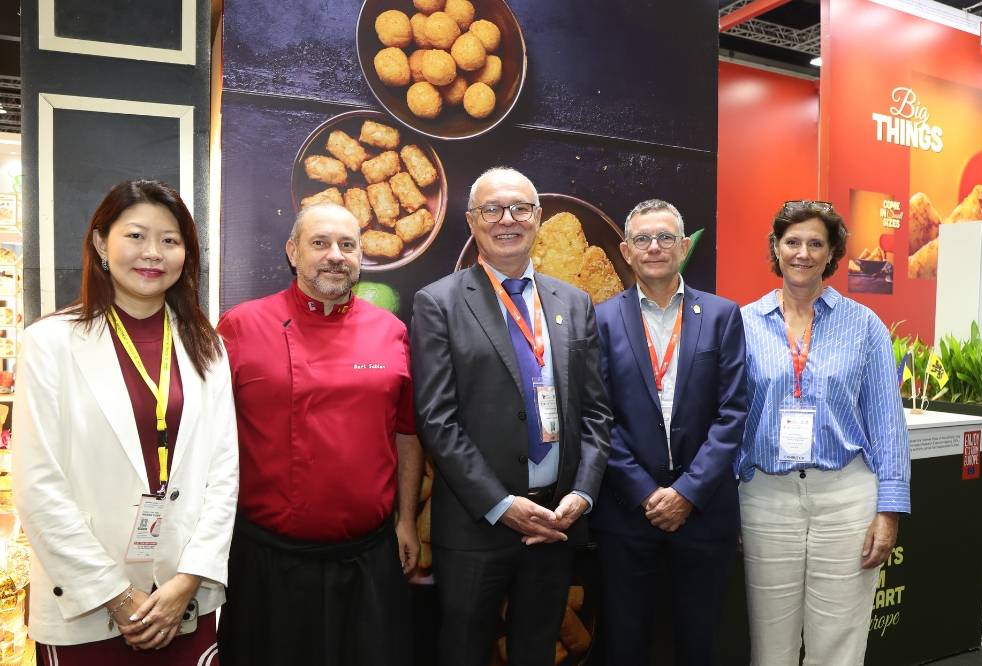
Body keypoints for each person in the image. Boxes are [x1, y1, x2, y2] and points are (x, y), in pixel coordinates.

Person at [13, 179, 238, 665]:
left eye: (170, 240)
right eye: (135, 235)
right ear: (100, 242)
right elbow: (37, 486)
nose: (152, 253)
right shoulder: (49, 343)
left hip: (184, 600)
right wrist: (116, 596)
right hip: (84, 602)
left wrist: (189, 580)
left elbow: (224, 474)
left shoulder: (207, 346)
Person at [410, 167, 612, 666]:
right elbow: (437, 419)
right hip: (479, 525)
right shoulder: (439, 302)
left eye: (520, 208)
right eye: (493, 210)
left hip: (556, 521)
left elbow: (595, 413)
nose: (508, 220)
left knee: (536, 650)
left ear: (538, 218)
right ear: (472, 221)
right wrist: (502, 504)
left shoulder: (575, 301)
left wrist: (581, 495)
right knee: (465, 651)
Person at [215, 203, 421, 666]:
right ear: (293, 252)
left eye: (347, 245)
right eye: (320, 243)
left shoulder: (391, 331)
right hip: (267, 563)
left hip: (367, 560)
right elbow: (208, 440)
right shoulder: (240, 326)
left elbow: (406, 433)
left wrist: (406, 520)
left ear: (361, 257)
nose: (335, 255)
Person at [737, 200, 910, 665]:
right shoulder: (744, 324)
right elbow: (729, 417)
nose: (803, 253)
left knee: (839, 642)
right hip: (765, 496)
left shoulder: (864, 326)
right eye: (792, 242)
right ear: (776, 248)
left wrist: (889, 511)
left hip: (846, 496)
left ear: (832, 252)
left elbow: (887, 423)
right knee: (770, 642)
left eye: (816, 243)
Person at [591, 199, 747, 666]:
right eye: (642, 239)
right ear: (625, 250)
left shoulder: (722, 315)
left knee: (699, 642)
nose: (654, 247)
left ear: (683, 247)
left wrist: (687, 491)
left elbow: (733, 412)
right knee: (626, 641)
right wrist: (645, 491)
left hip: (703, 512)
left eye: (664, 238)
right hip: (626, 514)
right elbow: (598, 417)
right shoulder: (599, 318)